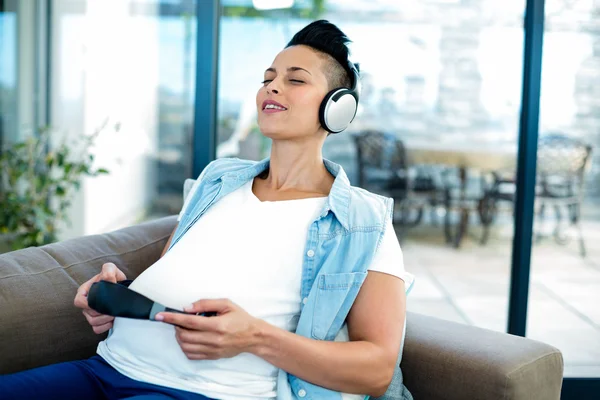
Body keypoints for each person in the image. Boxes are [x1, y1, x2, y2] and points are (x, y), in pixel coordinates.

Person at [0, 20, 414, 400]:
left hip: (200, 391)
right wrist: (118, 296)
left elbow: (377, 369)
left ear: (338, 107)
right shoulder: (217, 180)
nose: (272, 87)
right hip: (105, 368)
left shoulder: (363, 221)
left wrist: (254, 337)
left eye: (295, 80)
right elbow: (173, 271)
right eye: (267, 78)